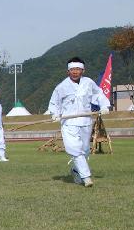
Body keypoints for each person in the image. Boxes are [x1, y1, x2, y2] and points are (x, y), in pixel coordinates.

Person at [47, 56, 110, 187]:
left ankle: (76, 171)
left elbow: (98, 94)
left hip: (85, 122)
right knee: (75, 150)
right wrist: (55, 114)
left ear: (83, 70)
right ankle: (87, 177)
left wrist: (104, 106)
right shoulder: (61, 87)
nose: (75, 72)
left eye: (78, 69)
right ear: (68, 71)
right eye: (72, 69)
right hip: (69, 124)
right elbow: (54, 103)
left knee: (85, 151)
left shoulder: (88, 83)